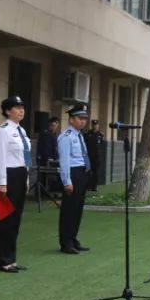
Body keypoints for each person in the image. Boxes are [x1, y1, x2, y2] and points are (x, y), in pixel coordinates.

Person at [0, 96, 32, 273]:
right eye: (17, 107)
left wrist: (26, 178)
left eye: (22, 107)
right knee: (4, 219)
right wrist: (2, 182)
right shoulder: (3, 130)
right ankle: (2, 260)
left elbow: (25, 157)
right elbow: (0, 157)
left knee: (16, 219)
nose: (21, 110)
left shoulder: (21, 131)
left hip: (20, 174)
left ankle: (12, 258)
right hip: (7, 175)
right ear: (8, 111)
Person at [58, 103, 92, 254]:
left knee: (77, 209)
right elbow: (64, 161)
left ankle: (73, 238)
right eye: (80, 118)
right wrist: (67, 182)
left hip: (82, 173)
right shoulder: (66, 137)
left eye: (85, 118)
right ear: (71, 119)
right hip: (72, 174)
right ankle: (66, 242)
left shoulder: (79, 136)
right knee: (69, 210)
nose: (83, 121)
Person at [84, 119, 105, 192]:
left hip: (97, 157)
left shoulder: (100, 135)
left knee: (95, 172)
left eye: (96, 125)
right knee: (88, 172)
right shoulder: (88, 134)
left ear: (98, 126)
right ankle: (88, 186)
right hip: (89, 156)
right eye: (93, 125)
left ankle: (94, 186)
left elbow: (101, 145)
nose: (95, 126)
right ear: (92, 125)